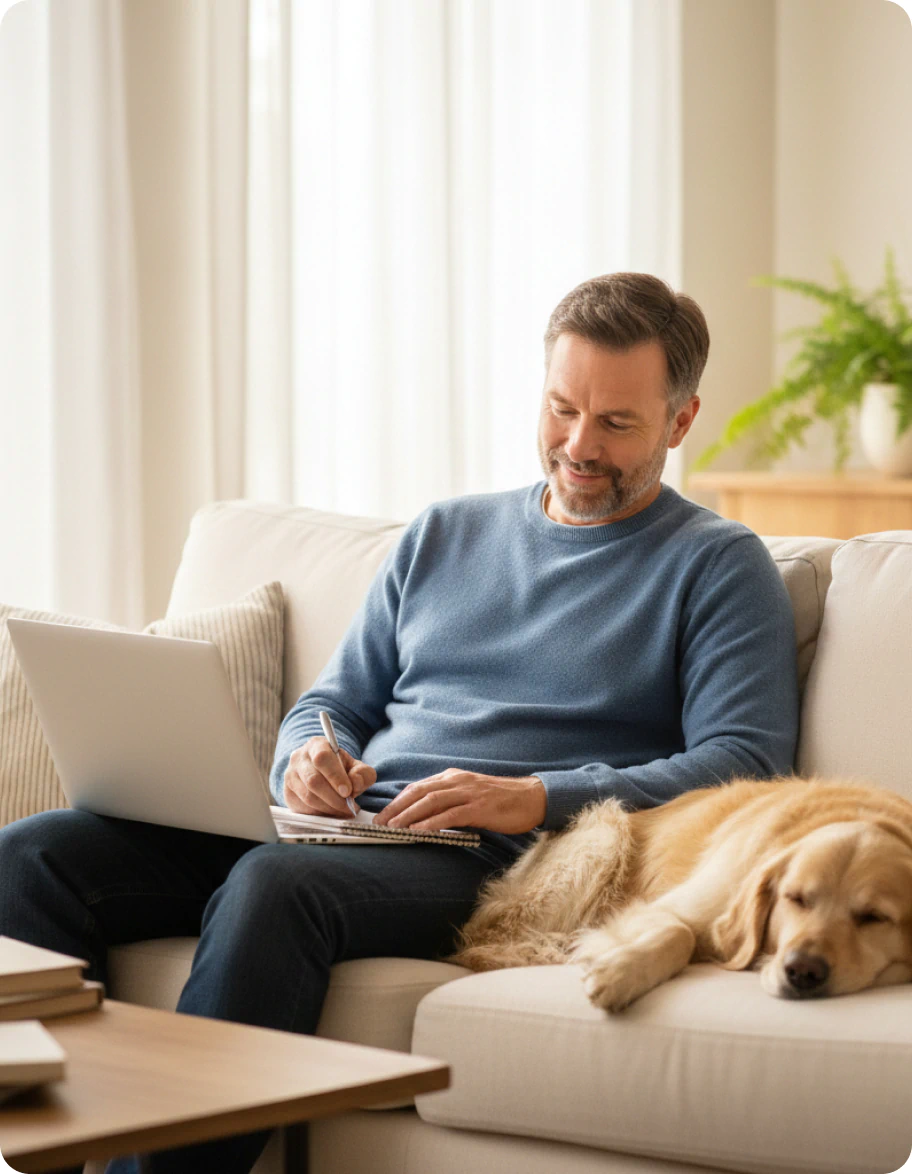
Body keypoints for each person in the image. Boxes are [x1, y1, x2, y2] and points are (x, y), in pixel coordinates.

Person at [0, 273, 798, 1174]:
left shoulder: (718, 566)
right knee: (35, 854)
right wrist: (309, 754)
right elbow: (331, 701)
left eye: (617, 423)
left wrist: (532, 798)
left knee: (276, 886)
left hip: (500, 859)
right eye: (561, 408)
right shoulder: (444, 534)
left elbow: (747, 766)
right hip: (341, 826)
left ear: (681, 421)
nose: (579, 445)